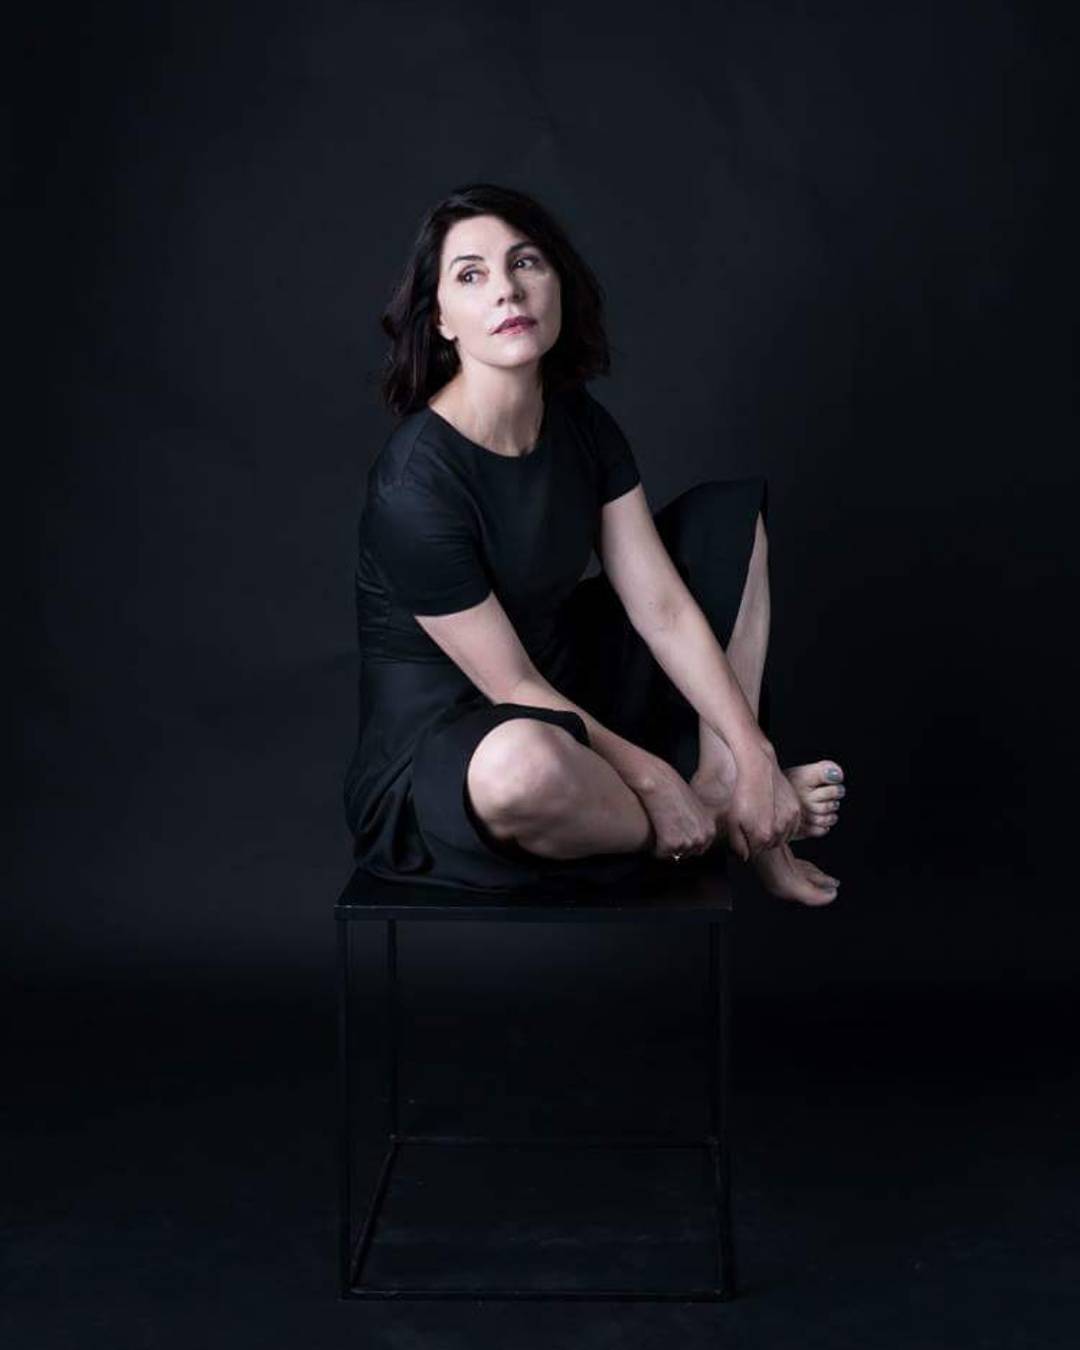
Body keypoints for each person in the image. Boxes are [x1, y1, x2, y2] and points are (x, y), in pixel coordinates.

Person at [343, 182, 845, 902]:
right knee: (523, 767)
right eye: (471, 275)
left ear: (558, 283)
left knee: (726, 521)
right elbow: (511, 686)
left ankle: (736, 782)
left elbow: (660, 606)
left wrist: (754, 749)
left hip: (567, 688)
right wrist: (652, 776)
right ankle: (728, 825)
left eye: (525, 262)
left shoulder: (578, 421)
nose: (507, 290)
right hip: (452, 748)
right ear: (442, 319)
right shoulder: (412, 488)